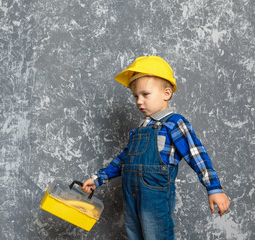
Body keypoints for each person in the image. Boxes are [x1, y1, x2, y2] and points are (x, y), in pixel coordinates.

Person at [81, 56, 230, 240]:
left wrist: (214, 189)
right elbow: (125, 159)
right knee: (134, 235)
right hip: (131, 194)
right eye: (135, 96)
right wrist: (98, 178)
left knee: (156, 236)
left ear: (166, 93)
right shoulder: (140, 129)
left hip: (155, 196)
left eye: (145, 94)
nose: (138, 101)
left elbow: (196, 154)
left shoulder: (174, 123)